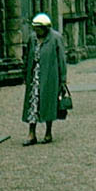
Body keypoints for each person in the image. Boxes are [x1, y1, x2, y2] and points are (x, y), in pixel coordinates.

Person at [21, 12, 67, 145]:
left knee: (48, 103)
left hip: (50, 77)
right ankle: (31, 133)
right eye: (35, 28)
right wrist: (25, 73)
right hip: (34, 77)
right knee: (32, 104)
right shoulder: (32, 39)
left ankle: (48, 132)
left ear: (46, 28)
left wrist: (63, 79)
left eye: (39, 28)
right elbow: (27, 57)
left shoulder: (56, 38)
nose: (37, 31)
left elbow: (61, 60)